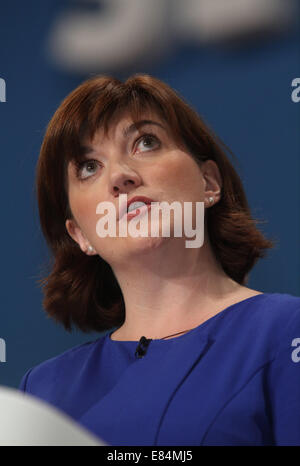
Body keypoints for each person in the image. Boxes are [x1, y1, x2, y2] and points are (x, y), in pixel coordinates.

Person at [19, 74, 300, 446]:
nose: (120, 176)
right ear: (80, 235)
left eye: (146, 142)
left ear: (209, 183)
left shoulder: (284, 332)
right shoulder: (42, 389)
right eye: (89, 167)